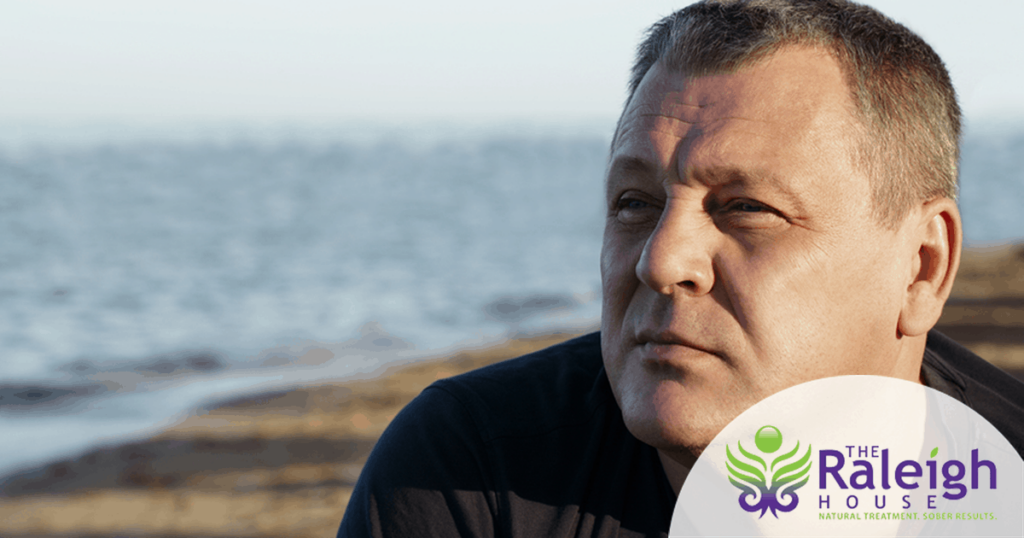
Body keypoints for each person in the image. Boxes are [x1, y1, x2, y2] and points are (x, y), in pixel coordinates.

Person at [337, 1, 1024, 536]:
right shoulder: (470, 475)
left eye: (747, 208)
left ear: (921, 268)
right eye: (635, 203)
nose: (662, 261)